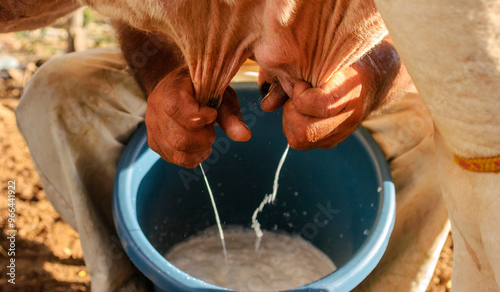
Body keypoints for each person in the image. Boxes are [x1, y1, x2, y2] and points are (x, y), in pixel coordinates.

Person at [13, 27, 449, 292]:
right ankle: (134, 281)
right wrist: (164, 74)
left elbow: (438, 7)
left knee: (445, 124)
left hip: (338, 67)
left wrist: (371, 77)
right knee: (57, 93)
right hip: (191, 54)